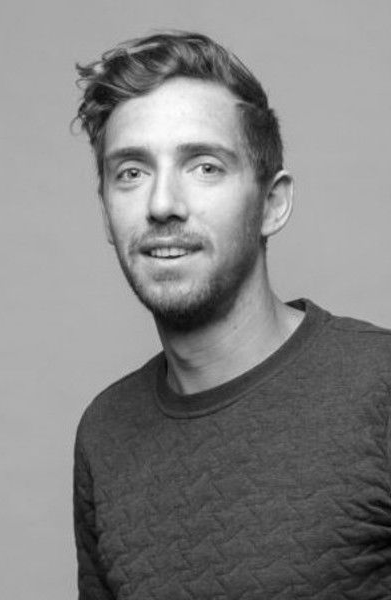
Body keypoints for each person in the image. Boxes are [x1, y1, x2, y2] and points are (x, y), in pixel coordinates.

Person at [73, 31, 391, 600]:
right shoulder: (104, 433)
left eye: (204, 166)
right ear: (106, 213)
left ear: (272, 203)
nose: (162, 204)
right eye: (132, 172)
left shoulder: (380, 386)